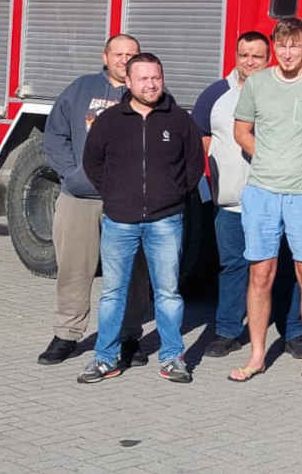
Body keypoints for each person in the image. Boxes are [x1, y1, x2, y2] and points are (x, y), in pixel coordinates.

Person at [227, 17, 302, 386]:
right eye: (281, 45)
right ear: (274, 48)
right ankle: (257, 356)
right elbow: (240, 131)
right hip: (263, 192)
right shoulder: (258, 84)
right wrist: (263, 157)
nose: (287, 52)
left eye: (295, 45)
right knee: (260, 274)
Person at [76, 54, 203, 384]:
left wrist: (173, 196)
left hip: (166, 221)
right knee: (113, 294)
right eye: (143, 78)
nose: (151, 84)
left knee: (168, 293)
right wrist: (117, 196)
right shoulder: (109, 121)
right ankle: (105, 359)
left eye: (156, 77)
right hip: (120, 221)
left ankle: (172, 357)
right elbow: (93, 163)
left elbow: (194, 166)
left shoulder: (178, 120)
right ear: (128, 82)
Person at [190, 31, 302, 361]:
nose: (250, 62)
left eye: (257, 56)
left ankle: (294, 333)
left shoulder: (287, 91)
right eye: (244, 55)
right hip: (232, 201)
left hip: (279, 198)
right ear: (236, 56)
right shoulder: (216, 94)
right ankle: (227, 331)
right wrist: (219, 176)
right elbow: (201, 136)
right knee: (233, 266)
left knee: (285, 267)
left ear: (268, 59)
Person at [36, 35, 150, 369]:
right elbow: (55, 134)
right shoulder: (81, 88)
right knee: (74, 268)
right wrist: (72, 174)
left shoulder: (147, 91)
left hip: (129, 202)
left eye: (131, 54)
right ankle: (67, 335)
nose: (124, 59)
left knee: (133, 272)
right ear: (105, 56)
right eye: (119, 53)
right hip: (81, 199)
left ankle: (130, 336)